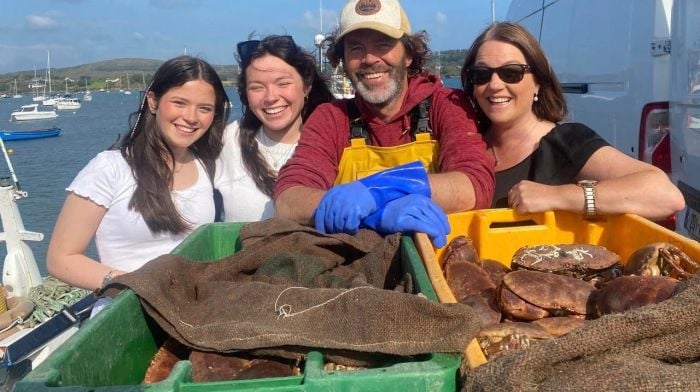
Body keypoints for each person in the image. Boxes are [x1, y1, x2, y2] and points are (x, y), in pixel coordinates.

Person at [274, 0, 494, 247]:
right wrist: (373, 218)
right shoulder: (331, 117)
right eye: (356, 48)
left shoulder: (445, 105)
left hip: (438, 255)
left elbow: (474, 185)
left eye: (383, 44)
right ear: (343, 59)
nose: (369, 59)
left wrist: (380, 190)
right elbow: (287, 199)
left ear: (409, 54)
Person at [460, 21, 684, 220]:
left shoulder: (566, 143)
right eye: (482, 74)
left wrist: (559, 196)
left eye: (511, 72)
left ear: (538, 81)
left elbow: (665, 195)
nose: (495, 84)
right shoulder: (464, 145)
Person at [47, 55, 231, 291]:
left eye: (204, 108)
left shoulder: (207, 165)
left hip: (192, 305)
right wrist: (140, 287)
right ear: (152, 102)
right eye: (179, 103)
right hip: (132, 307)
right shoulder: (111, 168)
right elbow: (61, 259)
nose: (191, 117)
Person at [215, 35, 333, 221]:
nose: (270, 97)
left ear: (307, 86)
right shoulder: (227, 141)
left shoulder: (333, 140)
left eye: (283, 83)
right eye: (257, 87)